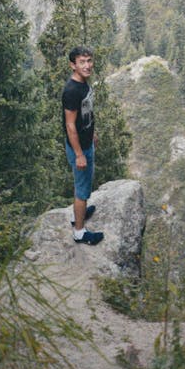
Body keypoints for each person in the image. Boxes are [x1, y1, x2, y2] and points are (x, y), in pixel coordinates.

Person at [62, 45, 104, 245]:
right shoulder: (71, 90)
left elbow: (85, 113)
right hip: (80, 147)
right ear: (73, 65)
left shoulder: (84, 84)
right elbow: (70, 125)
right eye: (82, 62)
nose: (87, 66)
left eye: (89, 61)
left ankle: (78, 213)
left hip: (86, 142)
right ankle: (80, 232)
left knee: (83, 186)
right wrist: (79, 154)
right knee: (82, 190)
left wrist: (91, 131)